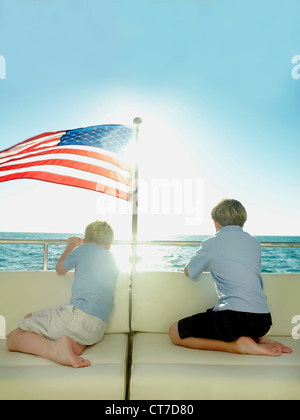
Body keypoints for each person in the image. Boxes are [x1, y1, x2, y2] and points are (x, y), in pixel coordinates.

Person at [169, 199, 292, 357]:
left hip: (235, 321)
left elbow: (190, 271)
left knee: (175, 332)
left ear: (215, 222)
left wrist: (210, 263)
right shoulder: (254, 242)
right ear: (242, 221)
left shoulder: (212, 242)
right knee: (214, 313)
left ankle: (237, 346)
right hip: (263, 321)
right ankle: (261, 339)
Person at [7, 220, 119, 368]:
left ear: (85, 241)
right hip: (96, 331)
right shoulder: (113, 260)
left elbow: (60, 268)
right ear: (110, 243)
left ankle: (54, 350)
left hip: (78, 319)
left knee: (14, 337)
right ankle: (75, 345)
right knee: (31, 319)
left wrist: (71, 245)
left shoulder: (84, 249)